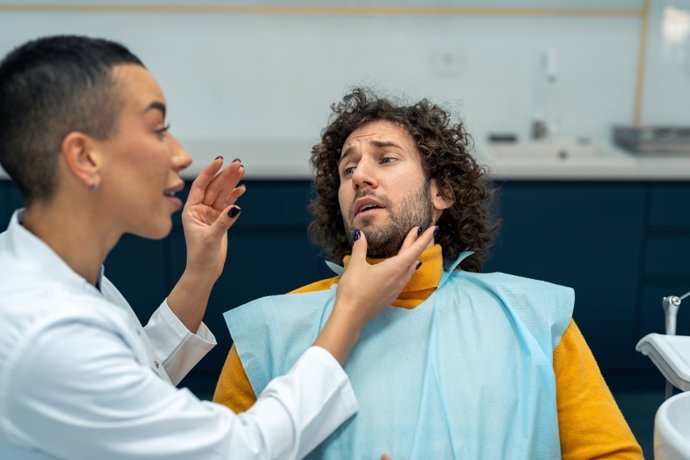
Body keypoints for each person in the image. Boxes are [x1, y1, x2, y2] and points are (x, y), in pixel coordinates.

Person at [0, 37, 436, 460]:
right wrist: (350, 315)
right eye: (158, 130)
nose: (181, 155)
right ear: (84, 157)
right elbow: (238, 449)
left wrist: (199, 273)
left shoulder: (62, 283)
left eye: (387, 159)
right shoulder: (44, 328)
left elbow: (133, 380)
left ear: (443, 191)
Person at [214, 88, 644, 459]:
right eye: (348, 169)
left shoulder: (533, 319)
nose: (361, 176)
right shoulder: (270, 333)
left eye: (385, 159)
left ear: (442, 191)